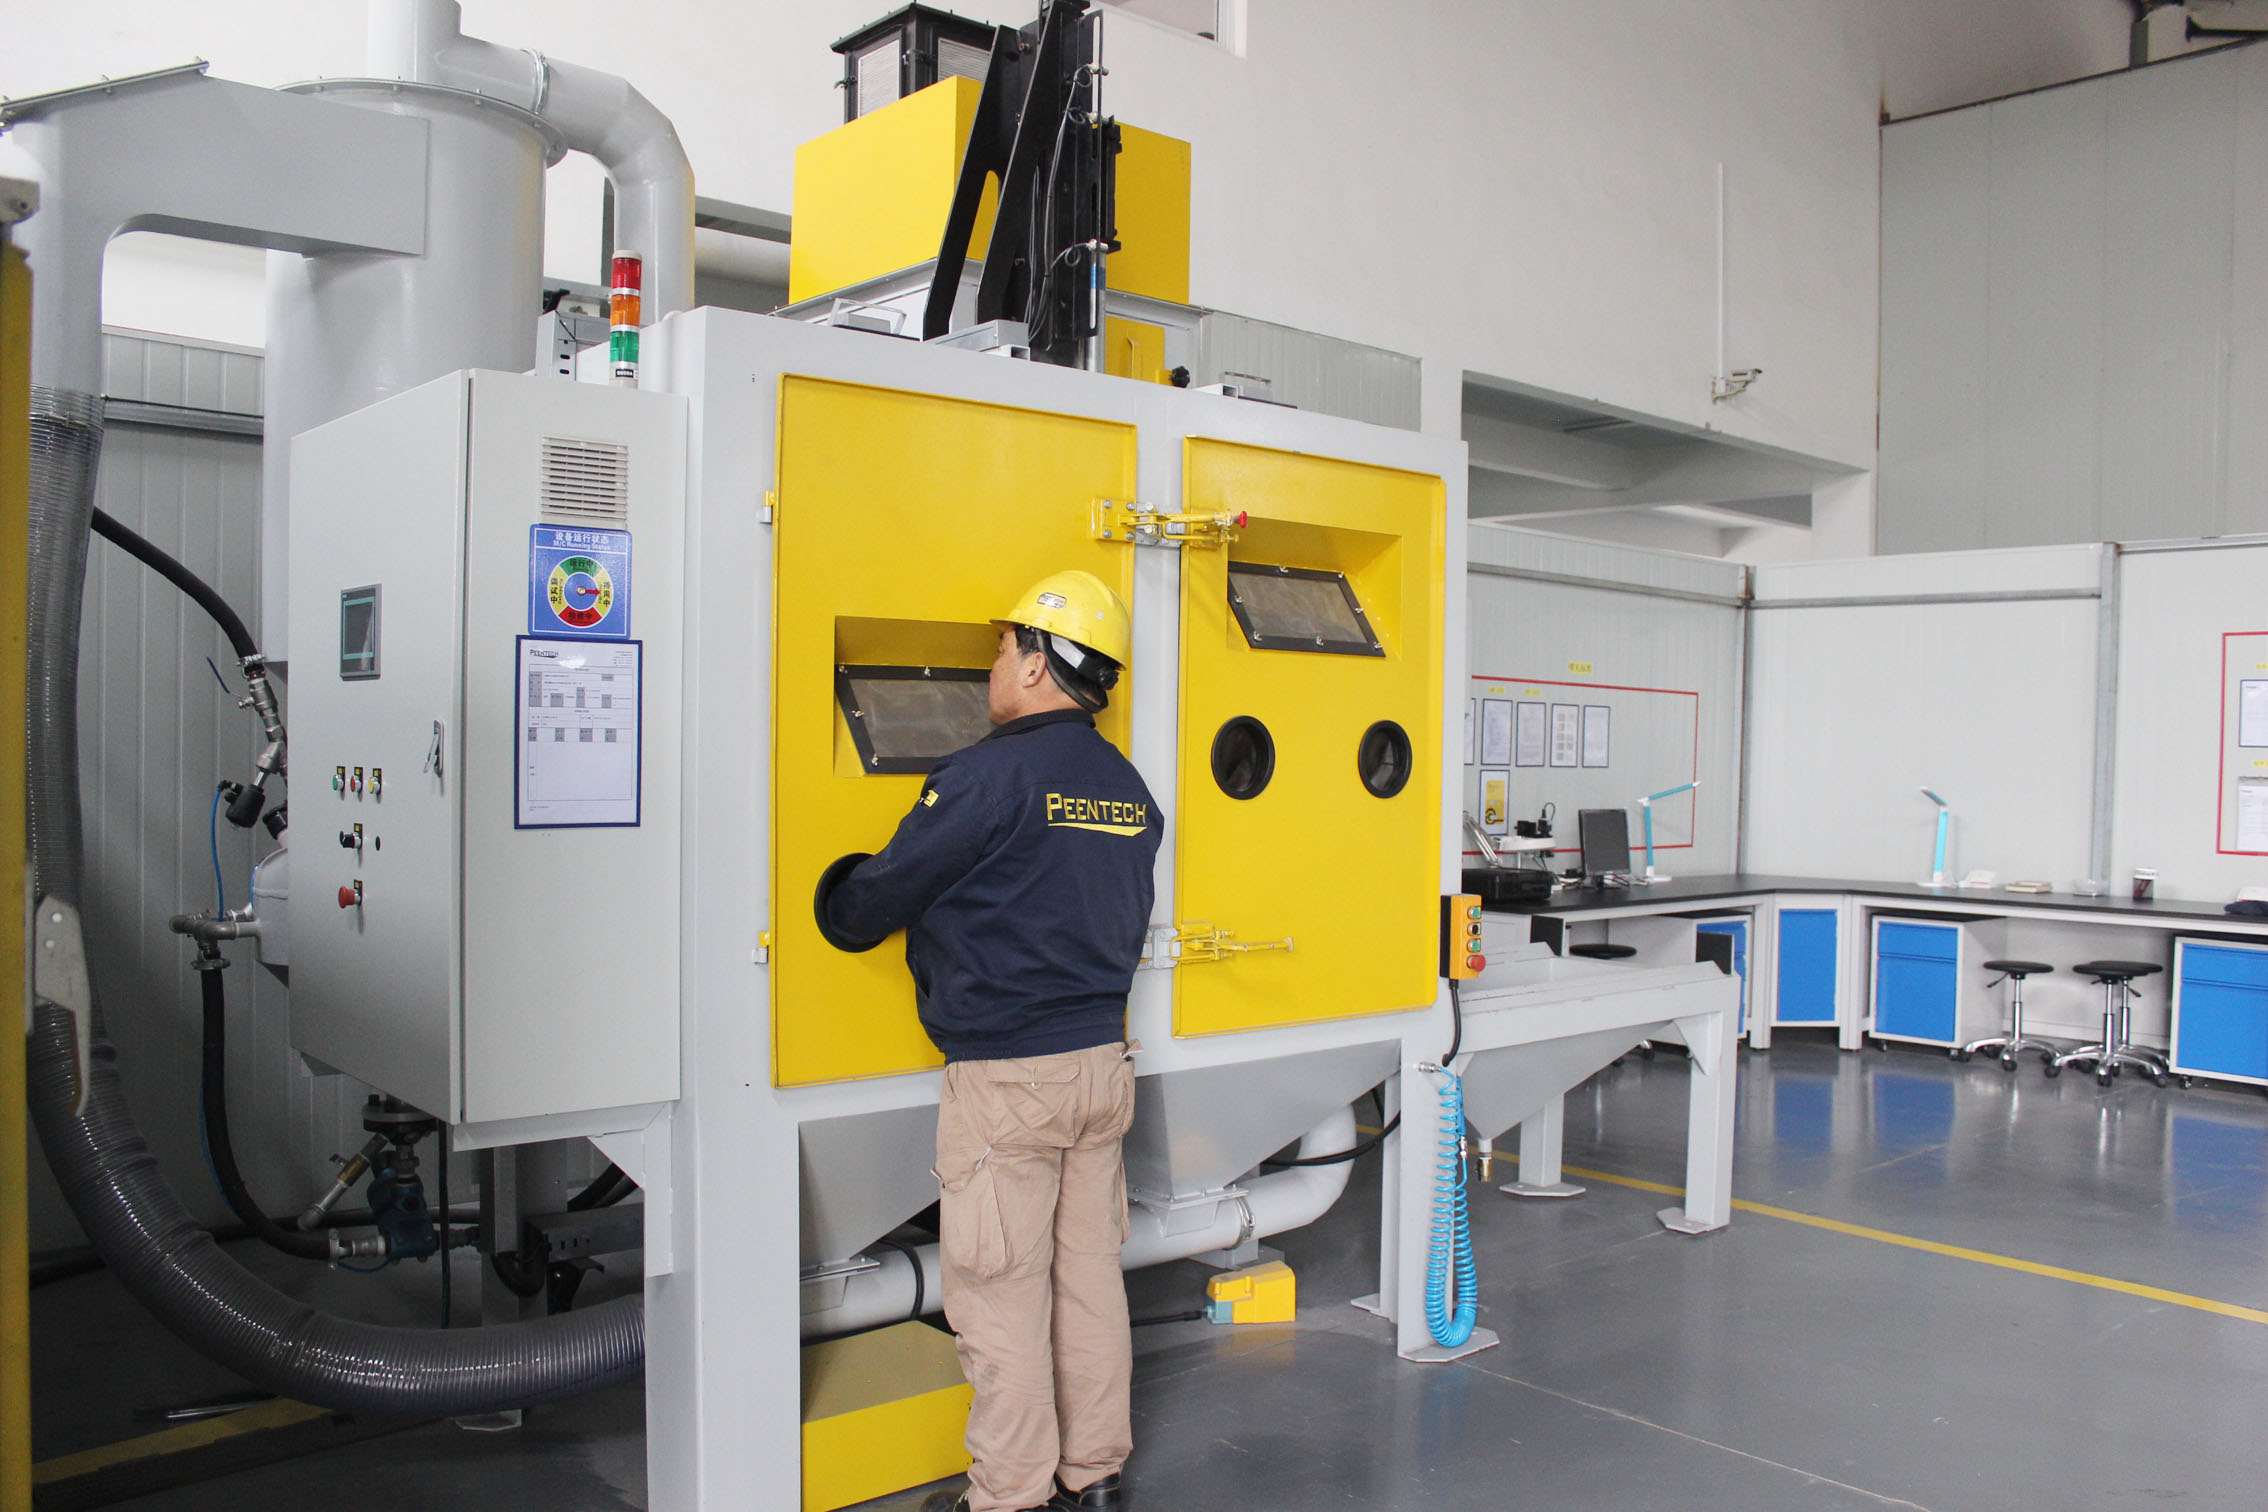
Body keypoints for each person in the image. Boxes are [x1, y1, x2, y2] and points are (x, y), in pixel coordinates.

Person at [816, 570, 1161, 1512]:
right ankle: (1094, 1475)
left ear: (1041, 665)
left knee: (999, 1290)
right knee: (1087, 1281)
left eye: (1005, 649)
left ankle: (1008, 1496)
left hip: (1010, 1079)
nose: (994, 667)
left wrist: (837, 895)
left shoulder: (986, 775)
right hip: (1102, 1066)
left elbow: (875, 901)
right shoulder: (1126, 788)